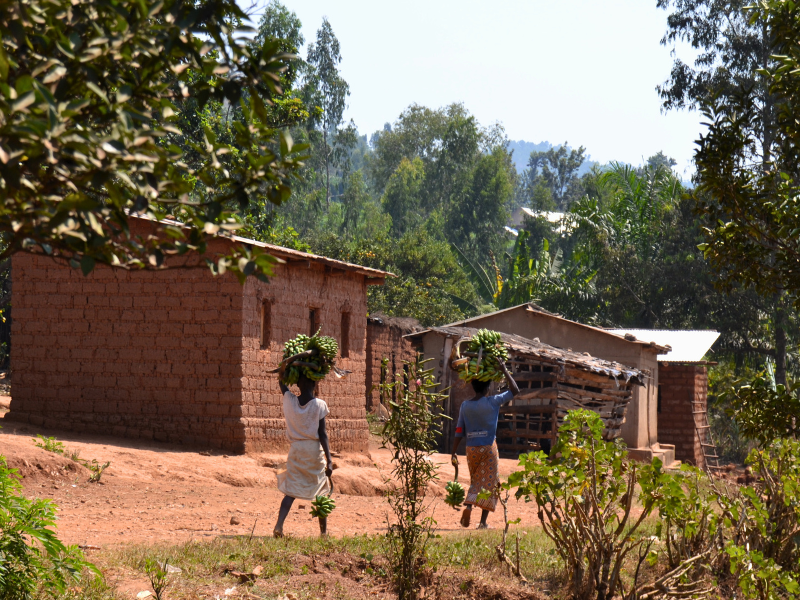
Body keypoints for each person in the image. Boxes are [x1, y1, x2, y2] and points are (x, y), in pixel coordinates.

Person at [451, 356, 519, 529]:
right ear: (488, 387)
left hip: (471, 449)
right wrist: (504, 369)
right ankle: (479, 518)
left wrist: (453, 451)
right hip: (489, 448)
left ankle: (474, 512)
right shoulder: (493, 401)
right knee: (488, 484)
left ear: (473, 387)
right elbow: (515, 390)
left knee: (477, 480)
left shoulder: (465, 405)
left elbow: (459, 429)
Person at [273, 366, 333, 538]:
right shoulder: (319, 405)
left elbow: (282, 383)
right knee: (321, 491)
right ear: (315, 383)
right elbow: (323, 434)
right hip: (314, 452)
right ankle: (323, 533)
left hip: (296, 451)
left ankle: (278, 526)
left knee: (291, 491)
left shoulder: (289, 400)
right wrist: (329, 460)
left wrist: (284, 369)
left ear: (297, 384)